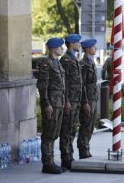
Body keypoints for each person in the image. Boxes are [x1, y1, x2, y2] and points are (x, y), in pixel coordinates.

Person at [37, 38, 65, 174]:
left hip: (59, 103)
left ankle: (51, 161)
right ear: (53, 49)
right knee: (48, 133)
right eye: (60, 47)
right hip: (52, 104)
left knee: (54, 133)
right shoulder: (46, 64)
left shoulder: (57, 63)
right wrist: (46, 104)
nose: (62, 49)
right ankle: (47, 164)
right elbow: (43, 86)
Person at [59, 34, 87, 169]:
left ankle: (70, 156)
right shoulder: (65, 60)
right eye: (77, 42)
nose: (79, 44)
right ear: (71, 43)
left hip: (76, 101)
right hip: (70, 101)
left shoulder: (73, 59)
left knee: (71, 130)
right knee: (66, 130)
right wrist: (66, 101)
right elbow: (64, 83)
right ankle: (66, 159)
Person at [77, 38, 99, 159]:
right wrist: (85, 102)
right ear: (87, 49)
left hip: (93, 97)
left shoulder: (91, 62)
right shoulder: (83, 64)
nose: (95, 49)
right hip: (88, 99)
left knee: (91, 125)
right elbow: (82, 85)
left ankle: (86, 147)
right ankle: (83, 149)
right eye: (93, 47)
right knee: (86, 124)